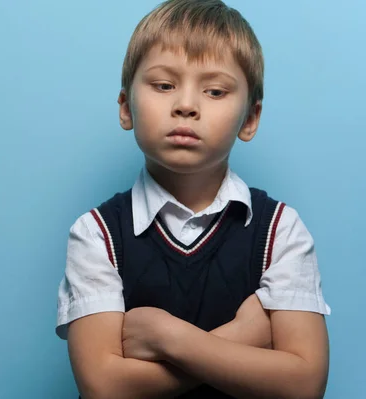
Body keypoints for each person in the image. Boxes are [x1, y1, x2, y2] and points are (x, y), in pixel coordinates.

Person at [55, 1, 331, 398]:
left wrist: (170, 339)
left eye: (215, 90)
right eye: (164, 85)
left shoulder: (280, 229)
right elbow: (105, 387)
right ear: (125, 107)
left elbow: (304, 385)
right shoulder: (96, 235)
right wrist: (243, 336)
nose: (186, 105)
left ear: (249, 120)